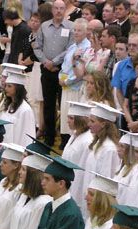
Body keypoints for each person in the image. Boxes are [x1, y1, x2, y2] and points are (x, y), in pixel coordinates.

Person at [33, 0, 74, 147]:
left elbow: (71, 48)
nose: (58, 11)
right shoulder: (44, 26)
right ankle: (49, 138)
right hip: (46, 70)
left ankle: (64, 139)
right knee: (48, 105)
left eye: (61, 8)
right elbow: (37, 47)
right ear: (52, 10)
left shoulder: (71, 27)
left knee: (63, 105)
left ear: (65, 10)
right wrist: (46, 62)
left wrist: (54, 62)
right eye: (56, 8)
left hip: (62, 71)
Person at [59, 18, 91, 146]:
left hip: (75, 87)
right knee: (66, 118)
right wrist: (60, 78)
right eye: (75, 30)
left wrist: (67, 82)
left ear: (85, 32)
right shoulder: (72, 46)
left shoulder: (87, 47)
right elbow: (64, 65)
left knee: (75, 118)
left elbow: (81, 72)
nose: (76, 33)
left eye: (79, 30)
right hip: (65, 85)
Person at [83, 102, 122, 203]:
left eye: (92, 121)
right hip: (90, 196)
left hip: (98, 200)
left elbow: (106, 180)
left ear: (103, 124)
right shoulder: (97, 144)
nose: (88, 124)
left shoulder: (109, 149)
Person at [62, 101, 94, 211]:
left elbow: (82, 170)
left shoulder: (87, 140)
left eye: (71, 118)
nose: (68, 121)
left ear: (80, 120)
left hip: (76, 187)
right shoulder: (74, 135)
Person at [0, 71, 36, 148]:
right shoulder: (8, 106)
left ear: (18, 88)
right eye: (6, 86)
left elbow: (27, 135)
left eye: (9, 86)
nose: (6, 88)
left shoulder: (25, 110)